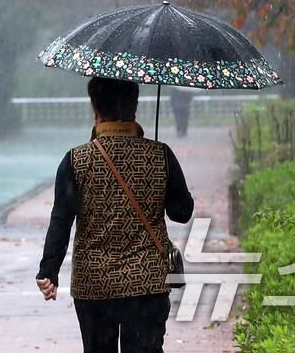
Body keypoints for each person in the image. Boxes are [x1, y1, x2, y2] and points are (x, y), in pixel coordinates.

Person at [36, 77, 194, 353]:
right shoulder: (160, 155)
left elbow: (61, 219)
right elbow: (182, 213)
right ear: (135, 107)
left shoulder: (76, 160)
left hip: (94, 284)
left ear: (95, 108)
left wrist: (49, 270)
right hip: (146, 283)